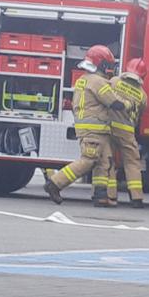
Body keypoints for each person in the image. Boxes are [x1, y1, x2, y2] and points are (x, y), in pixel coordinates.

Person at [44, 44, 126, 206]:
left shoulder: (83, 80)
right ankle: (55, 183)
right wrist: (128, 103)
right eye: (108, 65)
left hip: (94, 130)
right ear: (101, 64)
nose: (110, 69)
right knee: (88, 160)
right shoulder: (98, 82)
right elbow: (114, 103)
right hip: (93, 130)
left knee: (104, 162)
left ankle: (100, 195)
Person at [109, 58, 149, 208]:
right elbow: (140, 113)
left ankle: (111, 195)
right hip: (128, 131)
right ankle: (136, 198)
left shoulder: (113, 82)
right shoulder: (142, 95)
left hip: (110, 128)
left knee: (109, 161)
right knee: (132, 163)